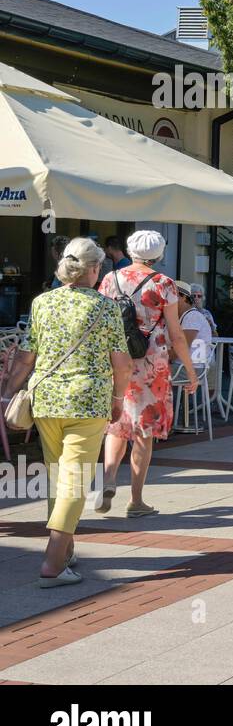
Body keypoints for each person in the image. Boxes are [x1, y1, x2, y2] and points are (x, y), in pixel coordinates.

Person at [2, 238, 132, 586]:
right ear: (94, 269)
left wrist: (7, 394)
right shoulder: (106, 308)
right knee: (74, 479)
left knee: (60, 476)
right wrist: (119, 400)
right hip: (87, 401)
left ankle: (67, 551)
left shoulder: (43, 302)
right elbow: (122, 364)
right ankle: (53, 563)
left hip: (46, 400)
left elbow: (26, 356)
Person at [96, 230, 199, 518]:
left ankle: (108, 480)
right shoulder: (163, 283)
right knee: (144, 430)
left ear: (130, 250)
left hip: (117, 359)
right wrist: (191, 372)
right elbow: (177, 335)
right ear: (159, 254)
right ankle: (136, 501)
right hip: (151, 363)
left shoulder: (109, 279)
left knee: (117, 424)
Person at [175, 281, 213, 369]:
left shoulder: (198, 315)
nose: (196, 298)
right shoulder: (183, 313)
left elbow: (182, 345)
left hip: (194, 361)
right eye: (193, 296)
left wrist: (210, 326)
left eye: (199, 296)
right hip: (194, 357)